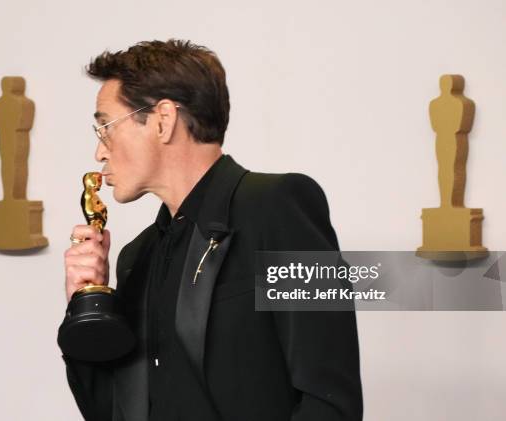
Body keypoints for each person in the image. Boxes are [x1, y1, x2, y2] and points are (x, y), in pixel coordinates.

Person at [62, 39, 363, 421]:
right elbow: (114, 411)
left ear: (163, 120)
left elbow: (329, 400)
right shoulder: (136, 257)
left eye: (106, 126)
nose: (99, 152)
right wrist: (86, 306)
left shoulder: (277, 207)